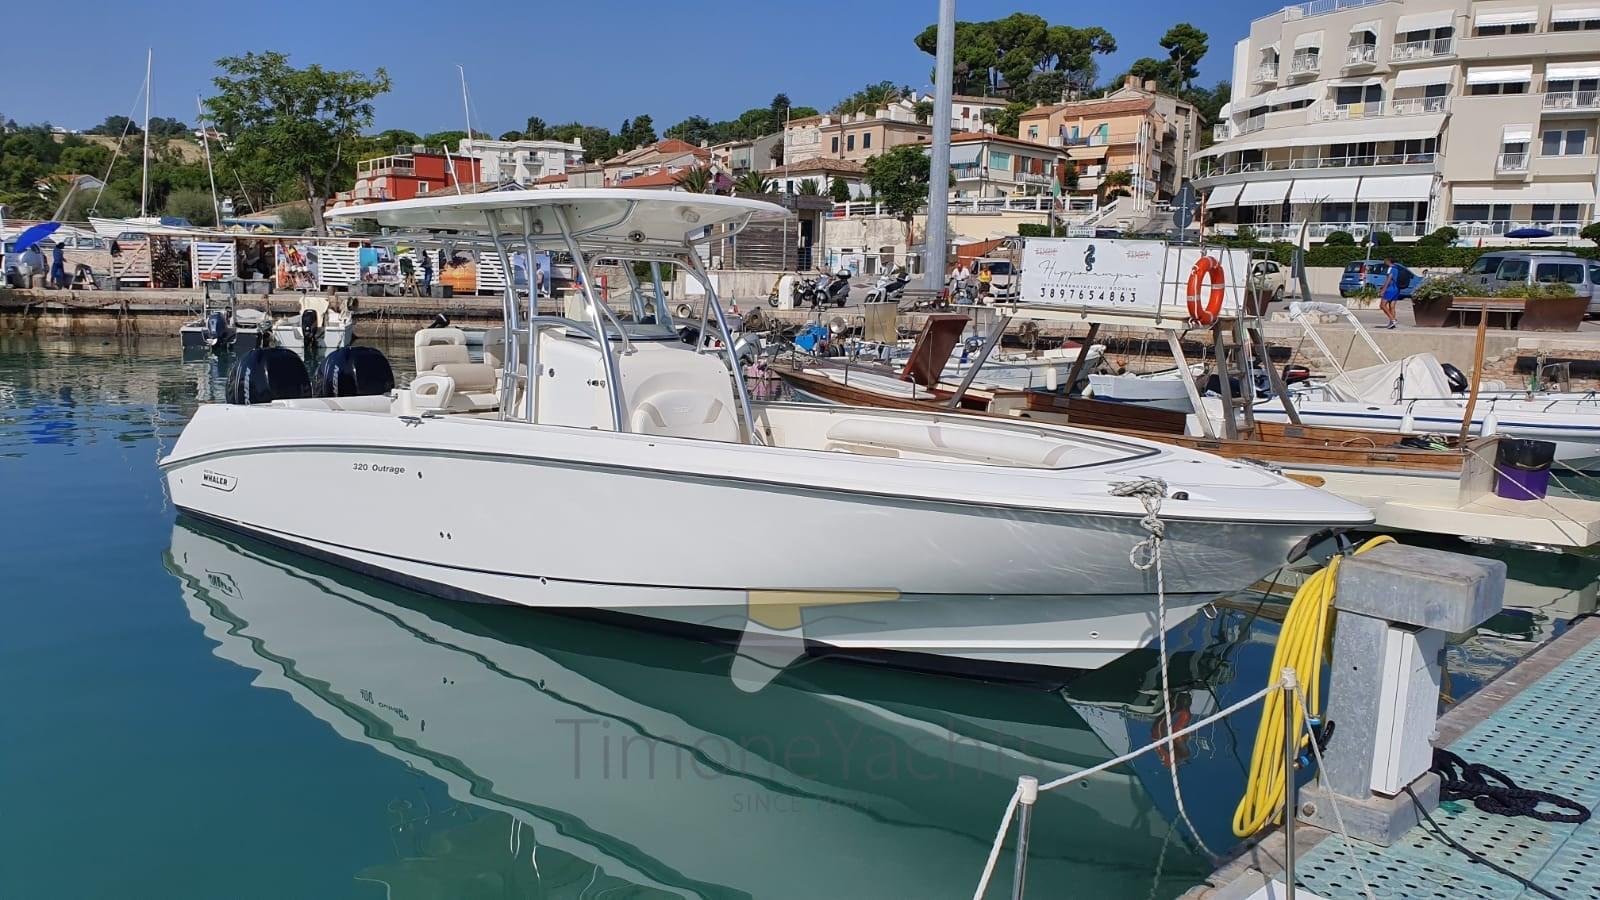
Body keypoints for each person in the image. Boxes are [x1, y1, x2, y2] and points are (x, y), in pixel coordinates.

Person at [1379, 256, 1402, 330]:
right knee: (1392, 306)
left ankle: (1393, 320)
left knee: (1382, 305)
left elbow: (1389, 279)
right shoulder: (1397, 268)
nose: (1384, 261)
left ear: (1388, 261)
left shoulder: (1391, 268)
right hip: (1397, 289)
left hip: (1391, 289)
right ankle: (1392, 324)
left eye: (1385, 260)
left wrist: (1383, 289)